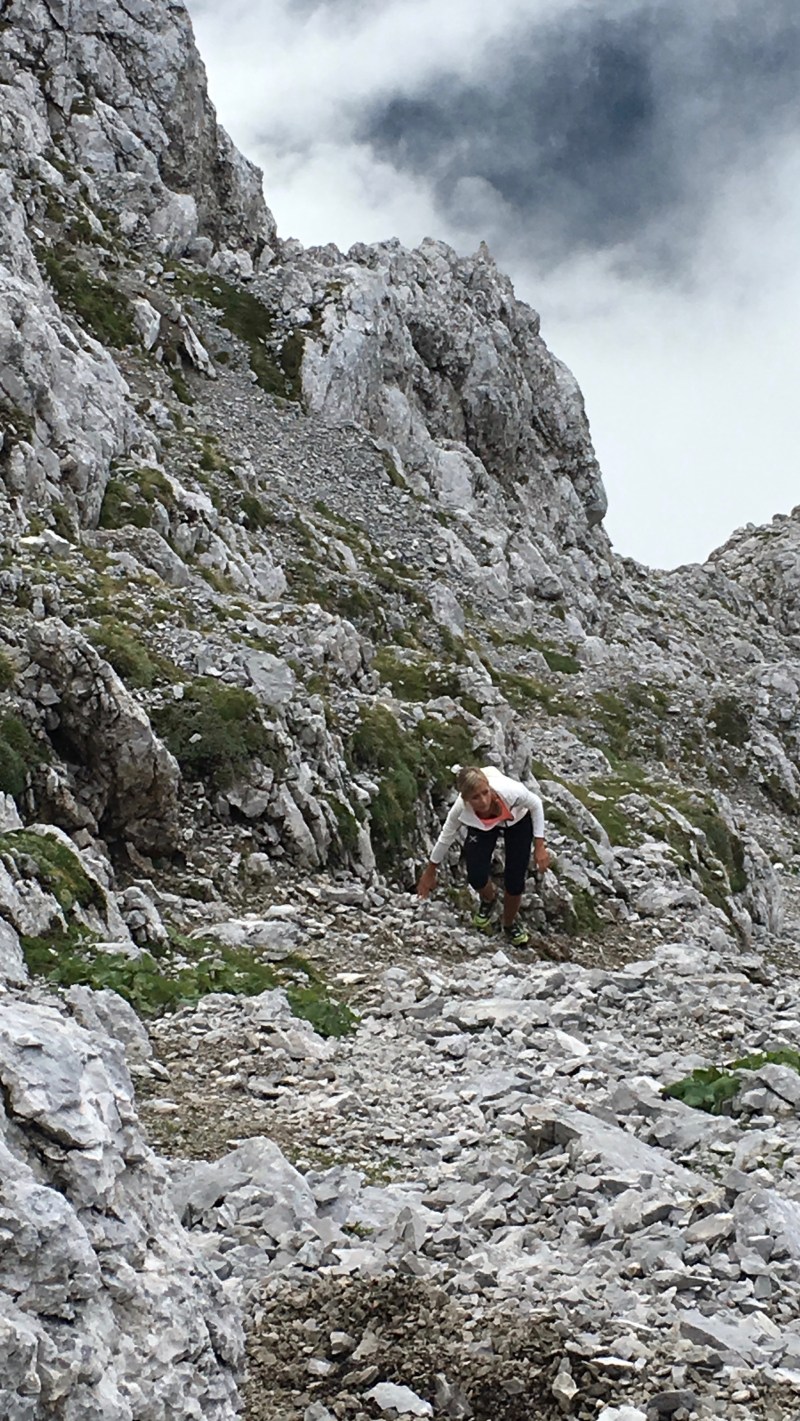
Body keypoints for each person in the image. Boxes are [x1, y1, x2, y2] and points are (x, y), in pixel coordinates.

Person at [416, 765, 549, 947]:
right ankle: (489, 899)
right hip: (482, 824)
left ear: (489, 786)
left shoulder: (510, 791)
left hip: (518, 820)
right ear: (465, 799)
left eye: (485, 792)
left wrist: (539, 845)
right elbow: (445, 837)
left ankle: (509, 925)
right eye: (475, 798)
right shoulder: (460, 809)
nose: (483, 801)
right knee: (476, 875)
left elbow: (536, 803)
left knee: (515, 879)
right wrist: (430, 871)